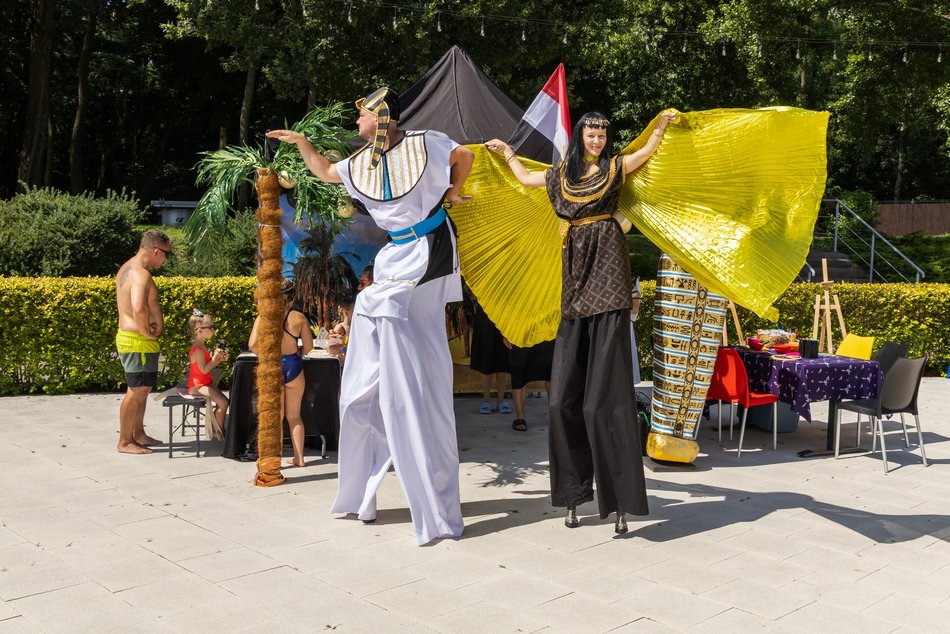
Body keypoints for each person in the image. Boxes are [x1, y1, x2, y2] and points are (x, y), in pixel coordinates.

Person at [267, 86, 474, 545]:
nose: (356, 122)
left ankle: (408, 385)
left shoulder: (425, 141)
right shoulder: (361, 161)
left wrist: (454, 193)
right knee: (373, 326)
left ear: (380, 117)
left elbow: (463, 156)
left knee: (395, 319)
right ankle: (377, 404)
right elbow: (322, 172)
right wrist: (301, 144)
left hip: (429, 249)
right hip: (395, 254)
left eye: (360, 115)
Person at [486, 109, 675, 533]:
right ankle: (573, 494)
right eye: (591, 132)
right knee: (561, 402)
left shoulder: (615, 167)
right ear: (580, 136)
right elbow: (524, 180)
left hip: (608, 274)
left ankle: (620, 502)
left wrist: (661, 124)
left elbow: (647, 150)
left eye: (603, 132)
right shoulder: (560, 174)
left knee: (604, 402)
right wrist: (509, 153)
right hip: (575, 277)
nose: (597, 138)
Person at [115, 229, 171, 454]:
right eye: (166, 254)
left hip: (136, 340)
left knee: (143, 389)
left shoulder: (128, 268)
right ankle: (125, 441)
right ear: (156, 251)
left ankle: (137, 433)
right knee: (136, 389)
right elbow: (139, 307)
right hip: (136, 340)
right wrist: (146, 331)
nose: (166, 259)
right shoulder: (141, 274)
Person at [248, 280, 314, 468]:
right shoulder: (299, 318)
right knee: (294, 416)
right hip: (294, 365)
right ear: (292, 297)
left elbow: (252, 345)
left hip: (273, 366)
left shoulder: (264, 316)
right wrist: (299, 353)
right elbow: (308, 347)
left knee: (275, 418)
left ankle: (274, 460)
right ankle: (299, 458)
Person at [186, 309, 230, 440]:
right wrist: (215, 360)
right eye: (210, 327)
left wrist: (218, 359)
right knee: (223, 403)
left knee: (225, 402)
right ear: (199, 330)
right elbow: (204, 369)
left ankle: (216, 428)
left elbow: (206, 367)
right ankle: (218, 431)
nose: (213, 330)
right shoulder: (198, 349)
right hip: (197, 387)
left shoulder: (202, 346)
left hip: (204, 384)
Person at [469, 297, 511, 416]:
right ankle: (486, 399)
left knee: (503, 359)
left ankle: (501, 399)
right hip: (485, 315)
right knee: (486, 357)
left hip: (504, 315)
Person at [504, 338, 554, 432]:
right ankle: (520, 416)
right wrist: (506, 333)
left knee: (552, 373)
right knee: (519, 372)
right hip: (521, 332)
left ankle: (554, 416)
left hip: (548, 331)